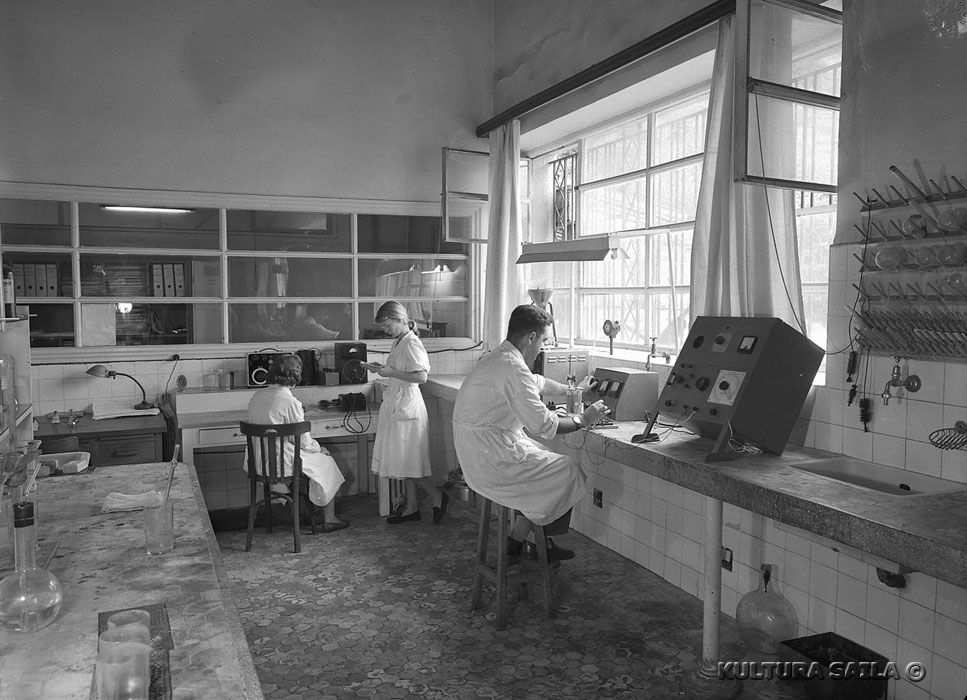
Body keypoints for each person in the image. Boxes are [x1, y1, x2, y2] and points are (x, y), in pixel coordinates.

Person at [452, 304, 609, 561]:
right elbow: (545, 426)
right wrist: (584, 419)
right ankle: (541, 545)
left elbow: (539, 383)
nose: (543, 348)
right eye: (543, 341)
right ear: (531, 337)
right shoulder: (512, 367)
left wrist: (574, 390)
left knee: (547, 462)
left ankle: (518, 538)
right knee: (569, 470)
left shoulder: (500, 358)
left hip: (480, 450)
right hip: (489, 458)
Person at [364, 300, 449, 525]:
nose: (385, 330)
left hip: (408, 407)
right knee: (406, 461)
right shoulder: (399, 341)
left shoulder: (412, 343)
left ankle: (437, 496)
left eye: (387, 324)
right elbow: (400, 371)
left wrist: (391, 372)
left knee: (408, 462)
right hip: (399, 405)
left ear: (400, 319)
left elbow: (421, 377)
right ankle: (412, 508)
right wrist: (382, 369)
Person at [246, 354, 349, 532]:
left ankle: (306, 513)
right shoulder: (290, 401)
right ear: (295, 376)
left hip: (259, 462)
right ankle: (329, 518)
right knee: (327, 462)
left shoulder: (257, 396)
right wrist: (319, 449)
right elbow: (304, 441)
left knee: (306, 463)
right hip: (281, 463)